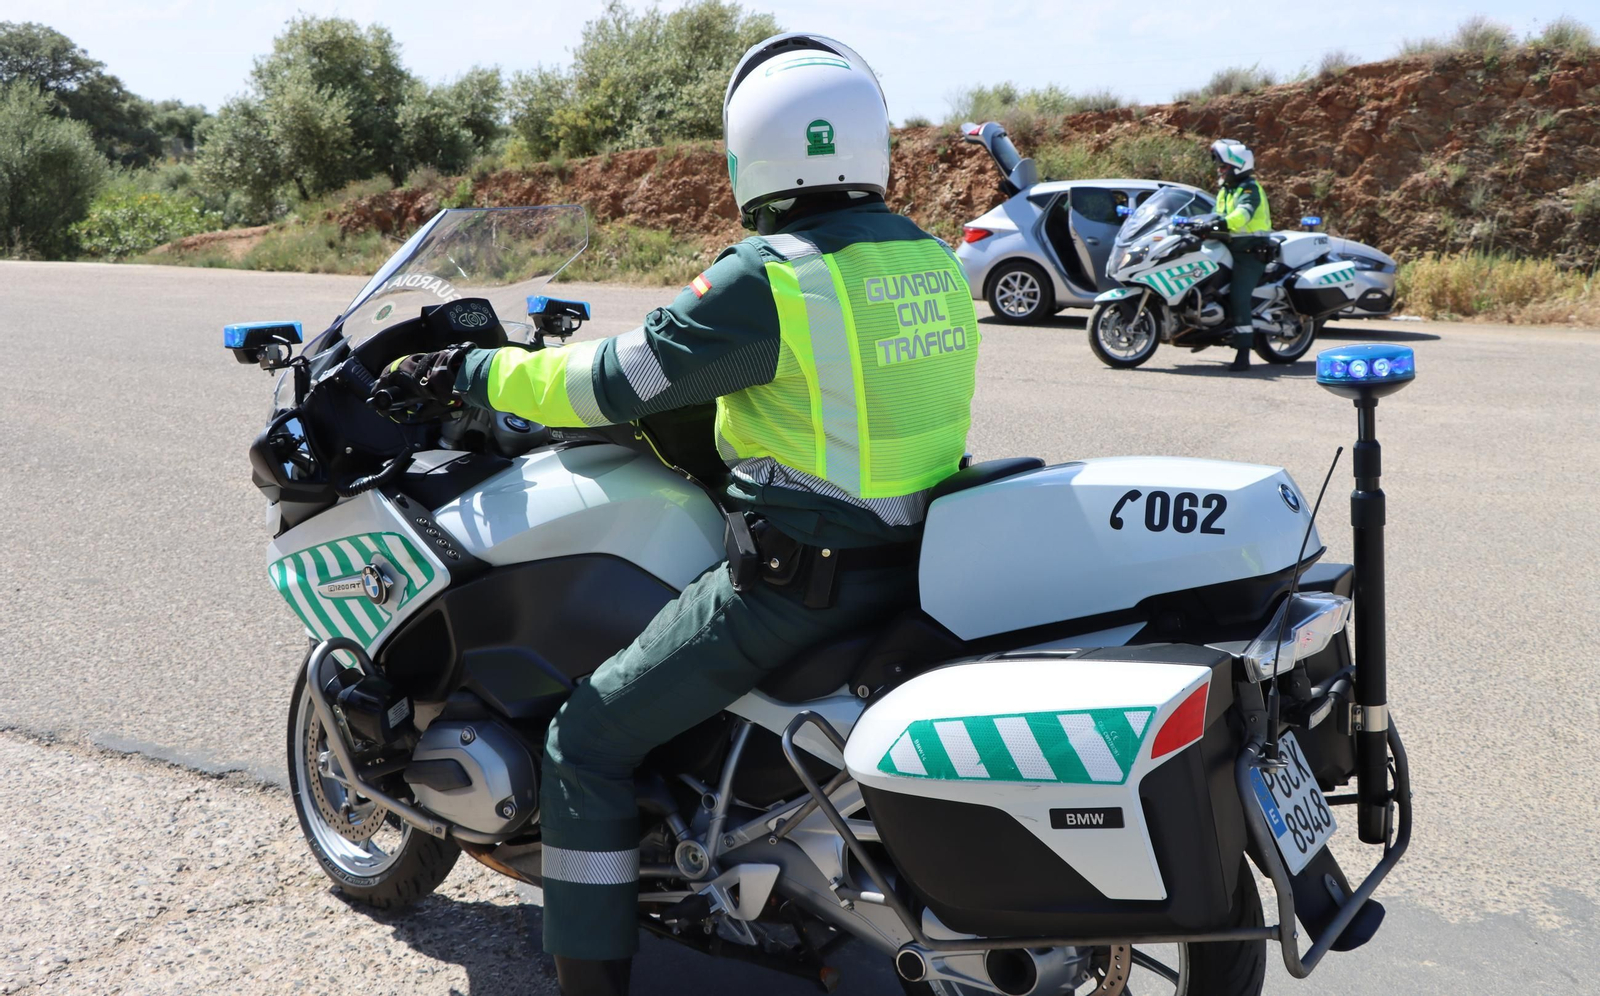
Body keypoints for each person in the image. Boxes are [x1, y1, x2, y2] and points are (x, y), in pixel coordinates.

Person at [372, 33, 980, 996]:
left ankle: (590, 981)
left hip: (795, 587)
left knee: (587, 742)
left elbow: (621, 379)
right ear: (870, 144)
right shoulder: (930, 260)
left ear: (751, 153)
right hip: (921, 562)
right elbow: (835, 395)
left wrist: (480, 369)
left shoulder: (769, 276)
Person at [1210, 138, 1271, 371]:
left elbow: (1242, 215)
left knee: (1238, 297)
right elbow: (1215, 214)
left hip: (1249, 252)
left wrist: (1221, 223)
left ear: (1237, 166)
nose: (1220, 170)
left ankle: (1243, 352)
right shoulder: (1225, 190)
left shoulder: (1249, 189)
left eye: (1223, 166)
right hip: (1228, 248)